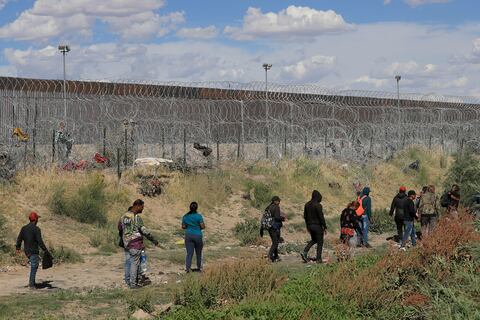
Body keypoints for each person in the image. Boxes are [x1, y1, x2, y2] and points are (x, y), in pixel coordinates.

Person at [119, 199, 159, 289]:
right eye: (142, 207)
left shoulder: (123, 216)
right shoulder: (136, 217)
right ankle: (133, 284)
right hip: (135, 244)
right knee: (134, 264)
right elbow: (144, 231)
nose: (142, 209)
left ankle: (128, 281)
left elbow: (120, 228)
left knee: (128, 262)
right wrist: (154, 240)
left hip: (126, 243)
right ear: (137, 206)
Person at [15, 212, 49, 289]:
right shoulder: (36, 229)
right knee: (34, 266)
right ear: (36, 220)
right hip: (33, 251)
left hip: (27, 251)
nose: (38, 221)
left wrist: (18, 248)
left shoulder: (24, 228)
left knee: (34, 265)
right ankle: (31, 285)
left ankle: (32, 283)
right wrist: (45, 250)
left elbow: (19, 238)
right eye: (37, 219)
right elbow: (40, 241)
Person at [301, 190, 327, 263]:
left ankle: (305, 252)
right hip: (317, 226)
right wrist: (325, 226)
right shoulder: (318, 205)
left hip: (310, 225)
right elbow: (321, 217)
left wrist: (307, 226)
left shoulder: (307, 204)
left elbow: (305, 216)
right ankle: (318, 259)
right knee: (320, 242)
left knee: (314, 240)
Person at [182, 202, 205, 273]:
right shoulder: (199, 216)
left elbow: (183, 226)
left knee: (189, 253)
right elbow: (203, 226)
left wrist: (189, 226)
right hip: (197, 235)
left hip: (188, 235)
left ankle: (188, 269)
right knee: (199, 253)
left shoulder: (185, 216)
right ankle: (199, 268)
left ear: (190, 207)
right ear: (197, 208)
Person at [266, 196, 285, 262]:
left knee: (275, 241)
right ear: (275, 201)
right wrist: (282, 218)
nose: (279, 202)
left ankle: (276, 256)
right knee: (275, 243)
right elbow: (277, 218)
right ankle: (269, 256)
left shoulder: (269, 207)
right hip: (275, 227)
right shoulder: (276, 207)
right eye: (278, 201)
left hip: (269, 227)